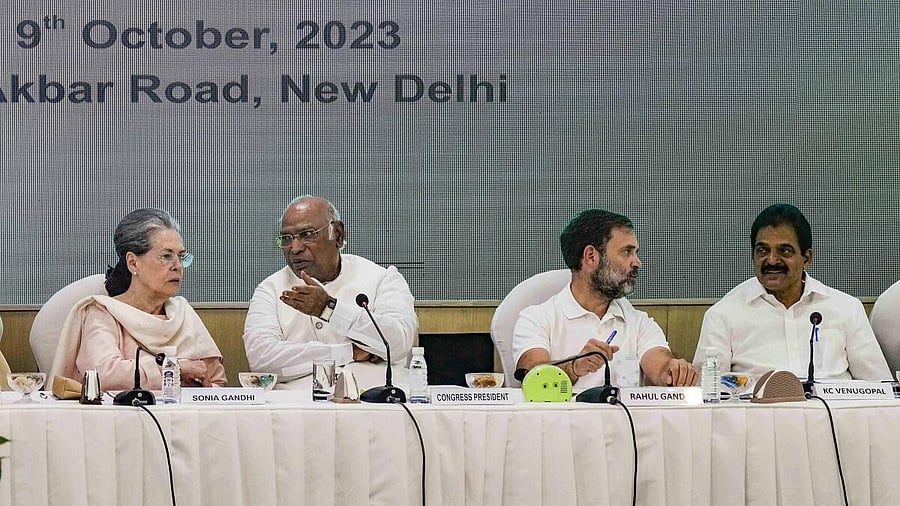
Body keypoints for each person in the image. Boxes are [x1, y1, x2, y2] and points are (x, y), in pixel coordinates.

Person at [693, 203, 890, 380]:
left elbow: (879, 386)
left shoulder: (846, 309)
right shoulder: (723, 315)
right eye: (762, 250)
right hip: (756, 418)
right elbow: (708, 394)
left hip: (835, 418)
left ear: (806, 258)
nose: (771, 260)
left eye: (784, 251)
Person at [242, 195, 418, 389]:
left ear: (338, 235)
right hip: (299, 409)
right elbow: (262, 361)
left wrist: (329, 309)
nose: (295, 248)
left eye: (307, 234)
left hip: (376, 407)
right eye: (286, 238)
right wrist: (348, 352)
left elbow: (397, 344)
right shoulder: (270, 290)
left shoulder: (383, 279)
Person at [513, 209, 697, 393]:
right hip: (560, 421)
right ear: (591, 256)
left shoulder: (639, 322)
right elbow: (532, 375)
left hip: (625, 421)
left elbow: (661, 366)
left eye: (635, 252)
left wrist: (674, 371)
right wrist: (574, 367)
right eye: (627, 252)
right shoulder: (535, 319)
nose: (637, 262)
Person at [50, 208, 227, 390]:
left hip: (186, 416)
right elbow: (102, 375)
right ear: (133, 263)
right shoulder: (104, 313)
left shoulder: (183, 313)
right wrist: (175, 370)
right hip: (122, 416)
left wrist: (203, 388)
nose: (178, 266)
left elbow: (216, 381)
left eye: (181, 257)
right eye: (166, 256)